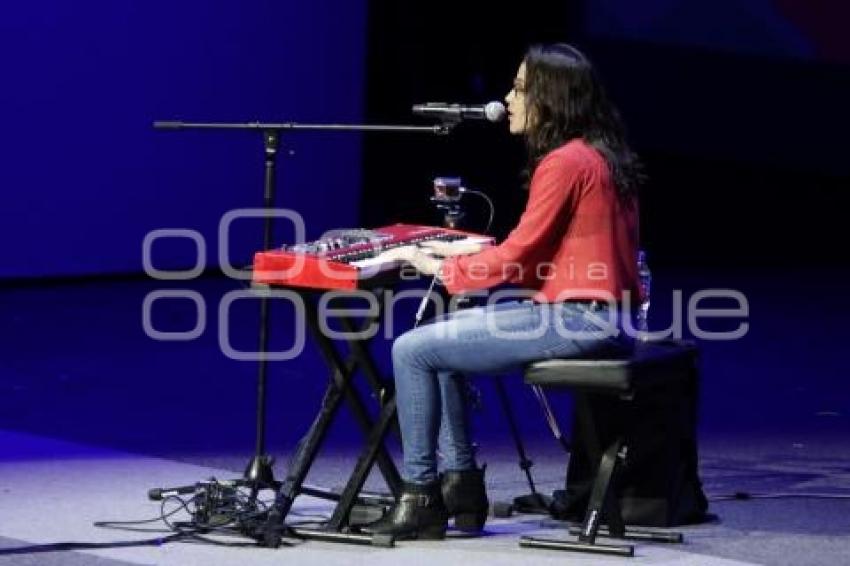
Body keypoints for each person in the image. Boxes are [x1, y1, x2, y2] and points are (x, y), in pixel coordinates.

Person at [366, 43, 644, 540]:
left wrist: (436, 264)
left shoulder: (563, 162)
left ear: (549, 98)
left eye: (518, 88)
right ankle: (462, 487)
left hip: (581, 320)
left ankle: (420, 497)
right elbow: (543, 255)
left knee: (410, 349)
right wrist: (460, 257)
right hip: (602, 315)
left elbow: (518, 255)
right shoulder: (598, 154)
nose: (507, 99)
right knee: (442, 338)